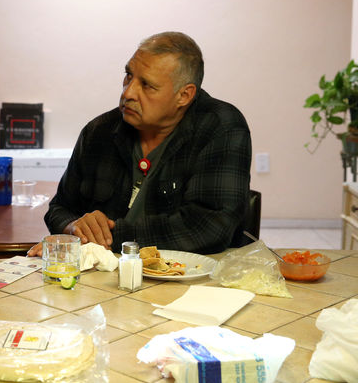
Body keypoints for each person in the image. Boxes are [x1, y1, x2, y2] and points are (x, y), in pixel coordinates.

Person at [28, 31, 251, 257]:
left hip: (194, 281)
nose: (128, 92)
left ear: (184, 95)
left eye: (147, 85)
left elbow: (208, 228)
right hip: (107, 277)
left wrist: (105, 238)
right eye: (128, 75)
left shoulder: (221, 127)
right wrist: (74, 227)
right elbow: (60, 209)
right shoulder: (99, 131)